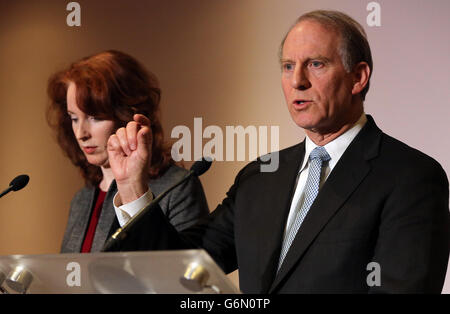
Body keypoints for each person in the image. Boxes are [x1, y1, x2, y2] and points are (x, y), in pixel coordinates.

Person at [107, 11, 449, 293]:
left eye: (316, 64)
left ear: (358, 77)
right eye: (288, 66)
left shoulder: (411, 177)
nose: (297, 81)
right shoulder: (260, 176)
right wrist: (133, 187)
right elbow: (184, 272)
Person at [46, 50, 209, 253]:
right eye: (74, 118)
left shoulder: (177, 188)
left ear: (127, 115)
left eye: (95, 117)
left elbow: (186, 276)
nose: (81, 133)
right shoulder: (82, 198)